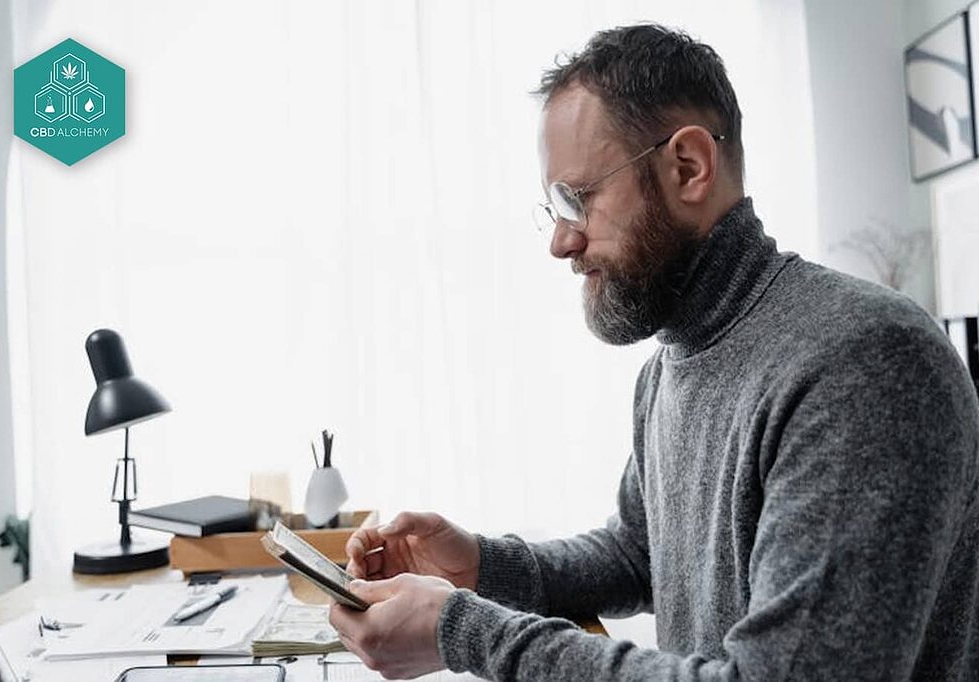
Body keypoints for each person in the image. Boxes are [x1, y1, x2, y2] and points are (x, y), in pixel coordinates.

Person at [328, 23, 979, 681]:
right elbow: (642, 554)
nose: (560, 241)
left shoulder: (861, 364)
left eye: (578, 200)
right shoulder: (669, 366)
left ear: (688, 167)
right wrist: (483, 566)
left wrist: (462, 632)